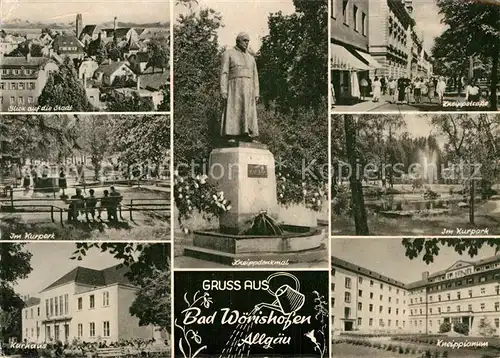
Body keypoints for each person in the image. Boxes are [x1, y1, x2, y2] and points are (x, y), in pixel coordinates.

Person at [220, 32, 260, 143]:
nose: (247, 43)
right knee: (234, 109)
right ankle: (232, 134)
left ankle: (249, 135)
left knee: (248, 111)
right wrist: (223, 90)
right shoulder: (228, 54)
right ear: (238, 41)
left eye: (248, 41)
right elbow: (224, 73)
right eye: (245, 40)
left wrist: (256, 92)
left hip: (249, 89)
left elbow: (255, 76)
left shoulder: (251, 58)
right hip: (234, 87)